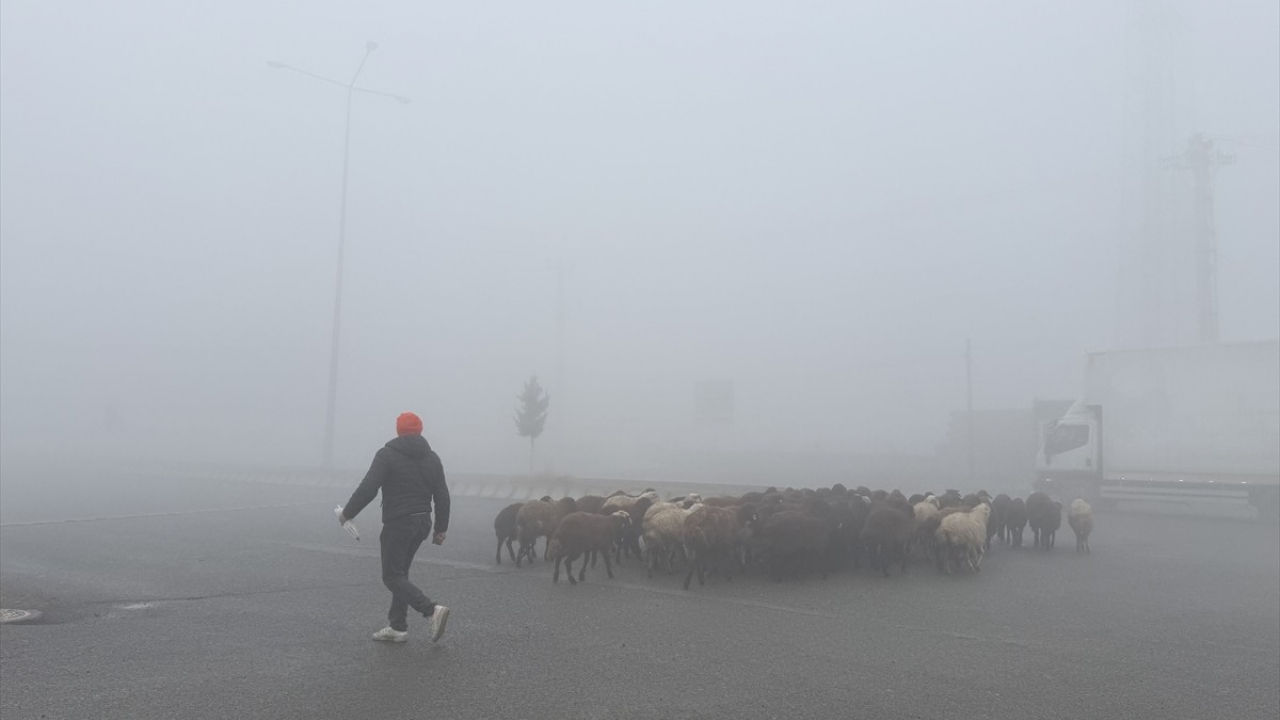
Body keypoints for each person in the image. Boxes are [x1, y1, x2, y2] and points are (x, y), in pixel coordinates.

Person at [339, 412, 451, 643]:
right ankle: (397, 626)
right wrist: (441, 528)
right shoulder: (432, 458)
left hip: (399, 521)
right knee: (401, 573)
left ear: (398, 431)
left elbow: (368, 488)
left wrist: (347, 514)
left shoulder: (387, 455)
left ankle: (431, 610)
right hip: (422, 521)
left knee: (391, 575)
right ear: (420, 431)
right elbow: (442, 495)